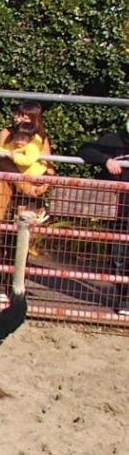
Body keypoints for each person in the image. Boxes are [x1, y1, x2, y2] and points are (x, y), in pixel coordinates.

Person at [0, 102, 54, 300]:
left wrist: (42, 185)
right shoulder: (7, 133)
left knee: (21, 239)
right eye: (17, 114)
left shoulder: (41, 139)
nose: (18, 118)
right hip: (3, 188)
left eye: (24, 116)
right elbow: (2, 161)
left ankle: (15, 284)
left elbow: (48, 162)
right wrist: (23, 184)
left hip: (29, 193)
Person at [76, 115, 129, 315]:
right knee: (118, 258)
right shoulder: (113, 141)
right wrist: (105, 160)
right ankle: (124, 298)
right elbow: (85, 149)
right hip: (120, 212)